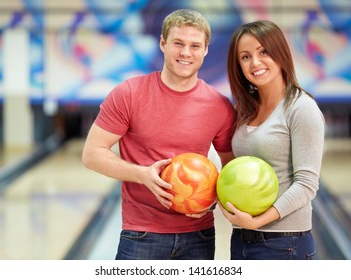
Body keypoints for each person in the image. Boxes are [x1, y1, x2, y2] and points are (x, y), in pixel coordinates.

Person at [82, 9, 236, 260]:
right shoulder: (129, 94)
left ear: (206, 50)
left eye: (195, 45)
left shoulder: (219, 105)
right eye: (178, 43)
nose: (186, 52)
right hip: (141, 234)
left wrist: (213, 200)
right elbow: (92, 154)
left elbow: (232, 169)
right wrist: (142, 174)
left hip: (199, 235)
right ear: (163, 44)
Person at [219, 20, 325, 260]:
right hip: (242, 238)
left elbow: (307, 184)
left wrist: (258, 221)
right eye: (245, 57)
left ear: (280, 53)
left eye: (263, 52)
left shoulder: (301, 108)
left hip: (285, 241)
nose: (255, 63)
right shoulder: (246, 110)